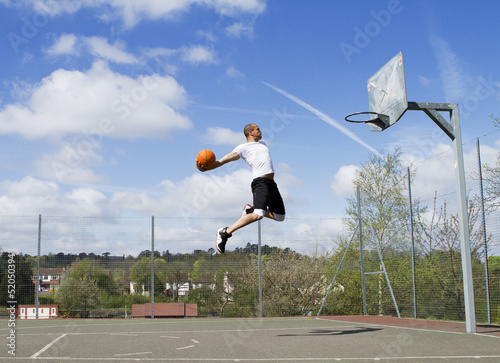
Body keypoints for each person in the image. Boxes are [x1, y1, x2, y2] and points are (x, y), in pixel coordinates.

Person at [196, 123, 285, 253]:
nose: (261, 131)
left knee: (280, 217)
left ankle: (250, 210)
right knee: (258, 215)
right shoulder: (243, 148)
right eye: (258, 129)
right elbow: (223, 160)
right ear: (250, 133)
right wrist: (207, 168)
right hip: (260, 183)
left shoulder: (263, 144)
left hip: (271, 184)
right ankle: (225, 232)